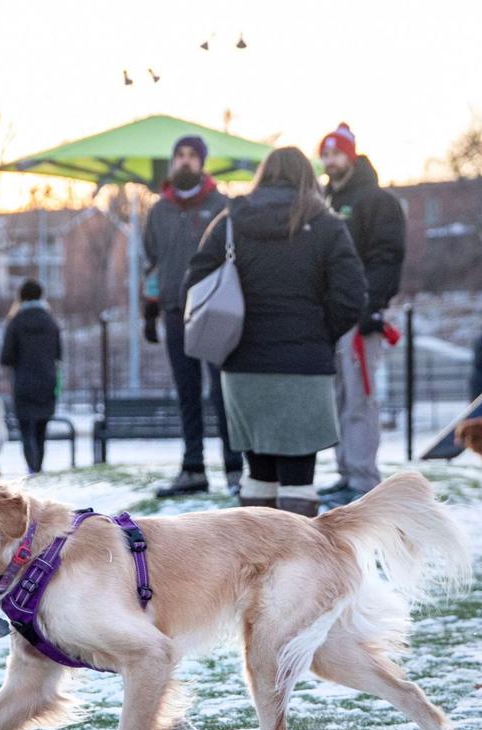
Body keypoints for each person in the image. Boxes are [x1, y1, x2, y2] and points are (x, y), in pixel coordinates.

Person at [183, 146, 366, 517]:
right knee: (299, 477)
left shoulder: (230, 221)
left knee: (258, 471)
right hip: (305, 366)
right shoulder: (327, 225)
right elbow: (351, 296)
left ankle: (255, 562)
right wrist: (320, 334)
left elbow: (195, 280)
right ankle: (298, 564)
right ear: (308, 178)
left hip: (243, 364)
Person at [142, 134, 243, 497]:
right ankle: (193, 468)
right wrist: (149, 311)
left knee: (222, 391)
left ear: (202, 162)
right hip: (174, 310)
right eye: (179, 155)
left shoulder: (222, 205)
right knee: (187, 393)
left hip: (214, 310)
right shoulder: (158, 210)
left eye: (191, 156)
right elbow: (152, 263)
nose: (185, 161)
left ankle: (235, 469)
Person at [317, 123, 407, 509]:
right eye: (325, 154)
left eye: (335, 153)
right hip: (329, 316)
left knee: (359, 399)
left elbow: (387, 257)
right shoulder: (326, 201)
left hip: (359, 317)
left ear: (350, 155)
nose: (329, 161)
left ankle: (364, 477)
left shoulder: (376, 201)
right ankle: (345, 472)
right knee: (337, 400)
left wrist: (372, 304)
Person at [0, 279, 61, 474]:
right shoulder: (50, 321)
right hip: (47, 382)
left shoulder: (16, 321)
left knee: (26, 431)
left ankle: (32, 468)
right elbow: (59, 353)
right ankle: (39, 467)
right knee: (41, 430)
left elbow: (6, 357)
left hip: (23, 384)